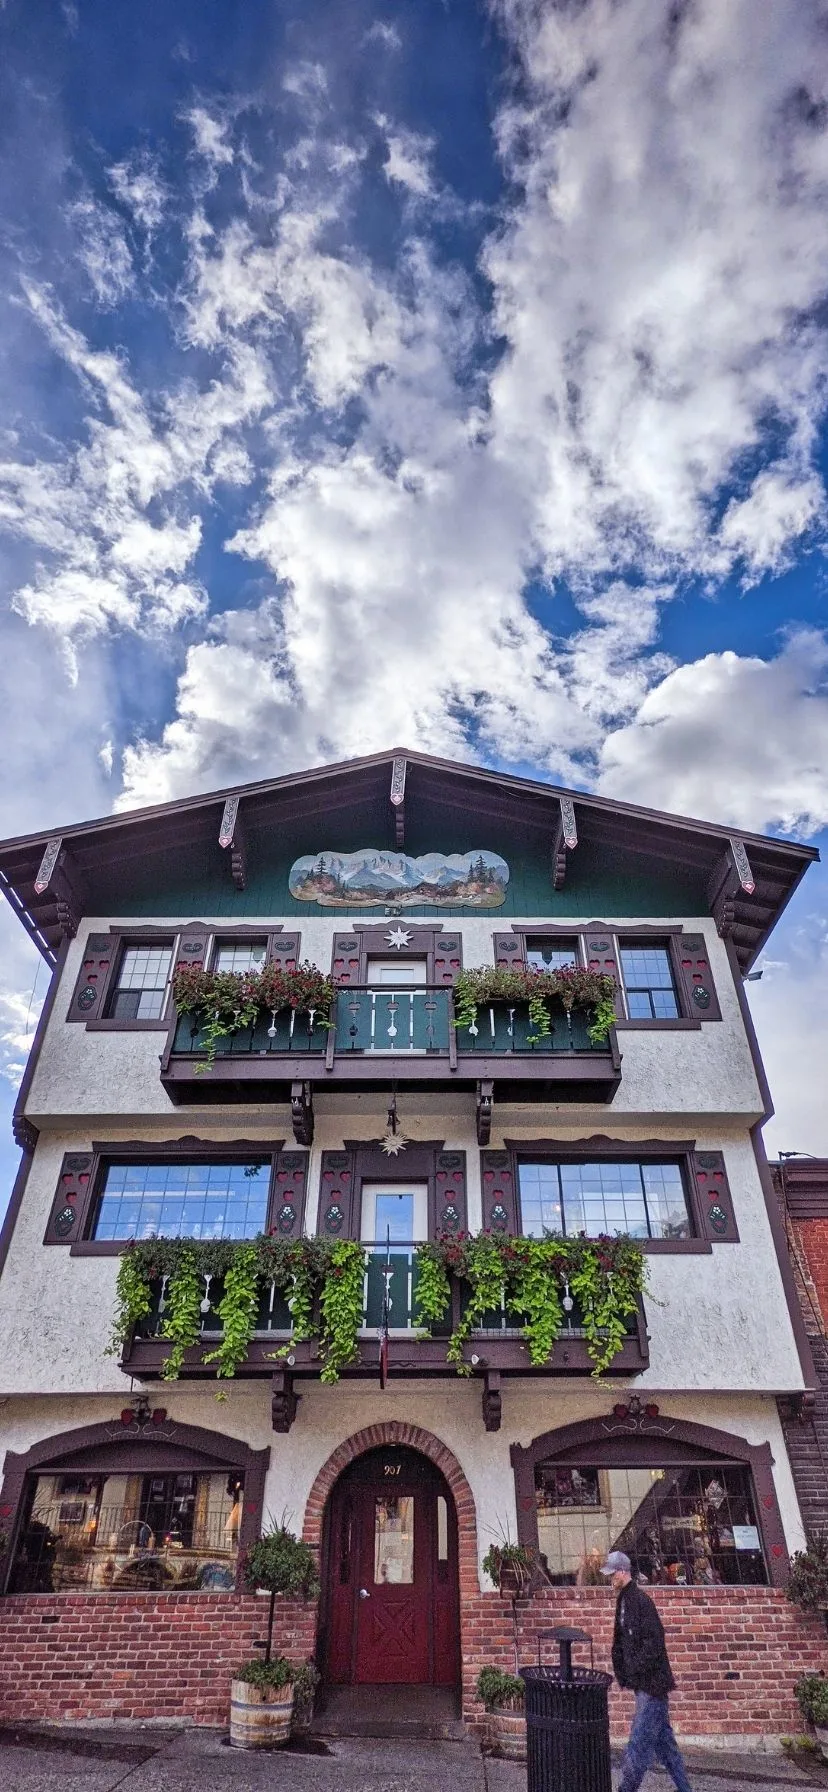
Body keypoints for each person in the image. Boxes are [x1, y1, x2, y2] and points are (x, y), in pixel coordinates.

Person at [602, 1549, 693, 1792]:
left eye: (613, 1574)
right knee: (665, 1744)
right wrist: (624, 1672)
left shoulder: (640, 1601)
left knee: (638, 1744)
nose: (610, 1579)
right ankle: (685, 1789)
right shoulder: (624, 1601)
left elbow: (654, 1642)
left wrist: (631, 1670)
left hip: (652, 1685)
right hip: (646, 1684)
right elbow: (621, 1642)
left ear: (623, 1572)